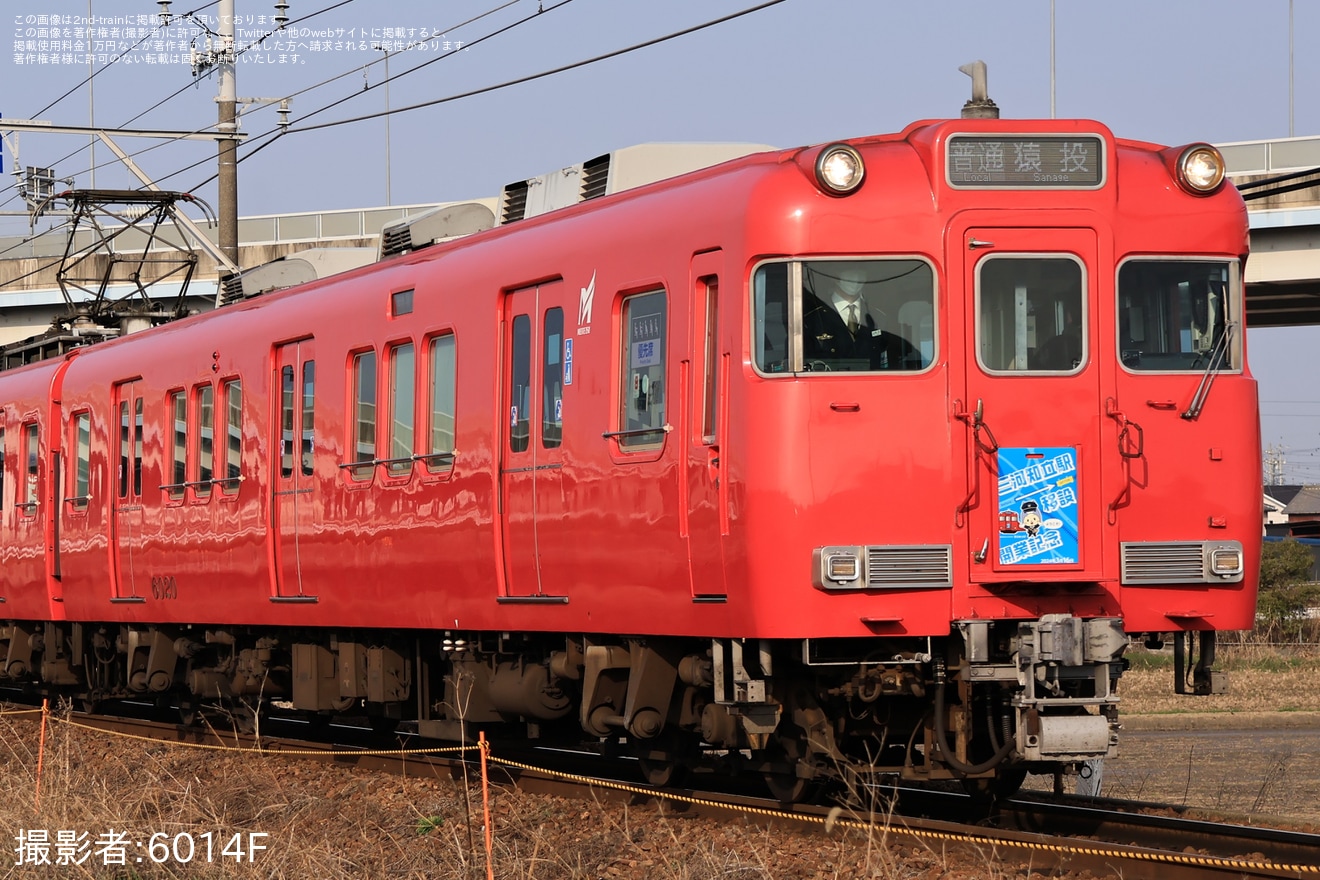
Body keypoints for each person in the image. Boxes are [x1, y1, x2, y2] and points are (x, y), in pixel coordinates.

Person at [802, 264, 919, 370]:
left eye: (861, 273)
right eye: (849, 272)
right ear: (834, 276)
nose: (856, 278)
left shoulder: (878, 317)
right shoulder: (812, 318)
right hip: (830, 388)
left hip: (870, 387)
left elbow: (885, 359)